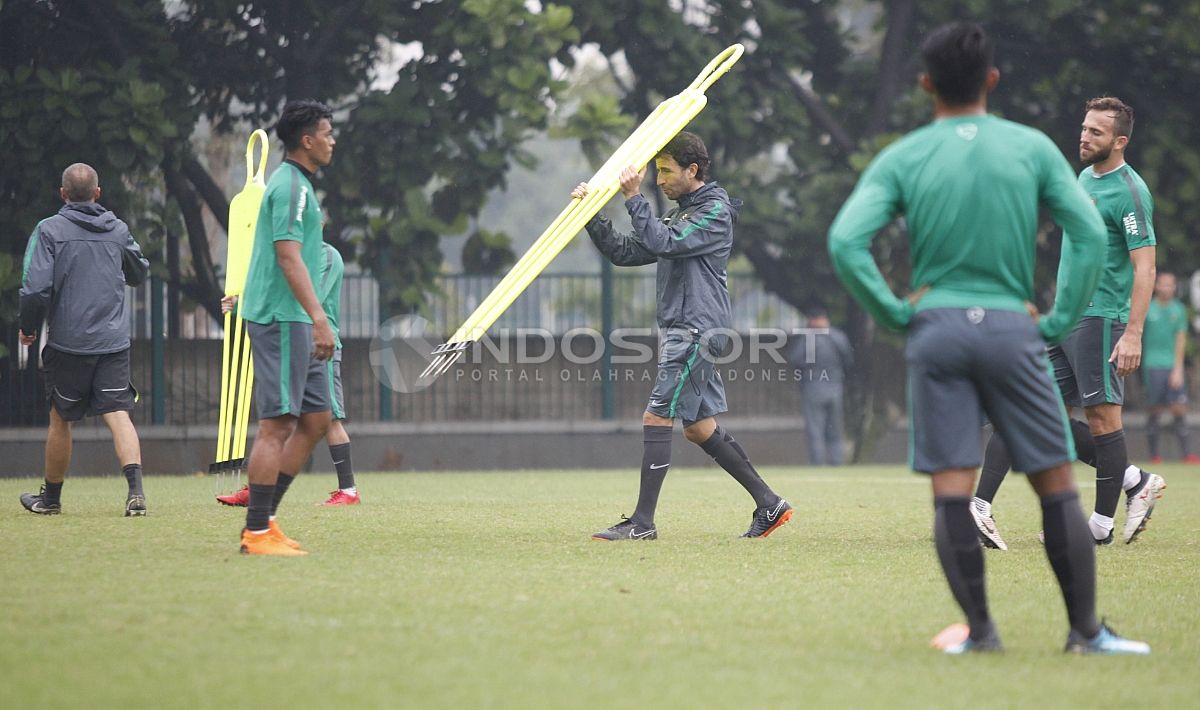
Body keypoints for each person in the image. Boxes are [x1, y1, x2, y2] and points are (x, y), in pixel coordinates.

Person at [829, 22, 1148, 654]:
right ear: (992, 81)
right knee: (1055, 481)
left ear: (925, 85)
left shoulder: (906, 155)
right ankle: (1085, 633)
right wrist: (1058, 322)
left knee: (952, 486)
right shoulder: (1029, 149)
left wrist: (895, 316)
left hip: (938, 331)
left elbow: (845, 241)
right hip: (1013, 329)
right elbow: (1086, 236)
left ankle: (980, 633)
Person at [576, 131, 793, 540]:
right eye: (656, 171)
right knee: (698, 428)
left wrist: (631, 197)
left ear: (692, 170)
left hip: (697, 329)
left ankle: (642, 524)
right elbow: (626, 251)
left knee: (657, 415)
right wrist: (590, 214)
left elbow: (666, 243)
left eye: (665, 171)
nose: (659, 180)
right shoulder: (681, 213)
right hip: (685, 328)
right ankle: (769, 503)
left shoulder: (714, 211)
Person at [971, 96, 1166, 548]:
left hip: (1101, 319)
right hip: (1065, 317)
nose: (1084, 136)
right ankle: (1133, 480)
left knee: (1101, 420)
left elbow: (1146, 269)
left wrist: (1133, 331)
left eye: (1096, 132)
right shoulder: (1082, 177)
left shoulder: (1132, 193)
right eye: (1084, 128)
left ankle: (1099, 525)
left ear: (1119, 141)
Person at [18, 163, 150, 517]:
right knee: (119, 413)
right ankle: (136, 494)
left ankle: (51, 499)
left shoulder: (48, 230)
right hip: (112, 342)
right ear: (98, 193)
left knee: (61, 418)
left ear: (63, 194)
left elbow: (34, 290)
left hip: (68, 344)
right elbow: (139, 270)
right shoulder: (118, 229)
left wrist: (28, 327)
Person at [235, 99, 338, 556]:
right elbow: (287, 255)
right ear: (307, 140)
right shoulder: (291, 187)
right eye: (327, 132)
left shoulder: (300, 185)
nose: (333, 140)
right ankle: (256, 532)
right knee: (277, 424)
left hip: (296, 317)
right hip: (283, 317)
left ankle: (266, 519)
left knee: (316, 420)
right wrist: (320, 318)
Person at [217, 241, 360, 507]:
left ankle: (349, 490)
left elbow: (307, 297)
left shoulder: (327, 255)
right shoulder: (293, 257)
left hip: (320, 347)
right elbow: (275, 294)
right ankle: (259, 487)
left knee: (330, 419)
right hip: (293, 344)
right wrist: (241, 305)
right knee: (280, 420)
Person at [1142, 271, 1196, 463]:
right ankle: (1154, 455)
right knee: (1155, 409)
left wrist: (1178, 369)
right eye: (1163, 284)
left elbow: (1180, 340)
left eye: (1170, 284)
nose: (1167, 288)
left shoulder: (1178, 310)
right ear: (1156, 286)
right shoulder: (1148, 308)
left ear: (1174, 287)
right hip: (1152, 365)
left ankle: (1187, 455)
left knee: (1179, 408)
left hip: (1172, 367)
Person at [790, 304, 853, 465]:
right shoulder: (838, 337)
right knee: (835, 430)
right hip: (835, 388)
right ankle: (837, 463)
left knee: (815, 430)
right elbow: (848, 361)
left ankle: (818, 465)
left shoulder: (807, 339)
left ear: (811, 320)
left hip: (813, 389)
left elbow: (795, 360)